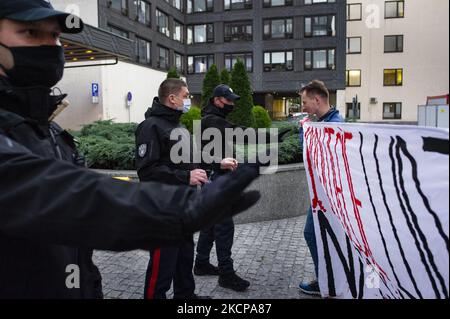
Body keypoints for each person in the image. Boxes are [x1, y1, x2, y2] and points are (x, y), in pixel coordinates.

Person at [0, 0, 260, 299]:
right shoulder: (151, 127)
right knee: (162, 274)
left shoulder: (50, 131)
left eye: (55, 36)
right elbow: (62, 193)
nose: (49, 46)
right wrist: (175, 206)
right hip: (169, 201)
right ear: (172, 99)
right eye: (31, 33)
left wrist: (212, 165)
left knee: (182, 265)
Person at [135, 79, 237, 299]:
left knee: (183, 257)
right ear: (172, 98)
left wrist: (218, 162)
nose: (189, 100)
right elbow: (147, 170)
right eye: (186, 95)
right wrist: (185, 177)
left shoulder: (178, 126)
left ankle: (186, 296)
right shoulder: (150, 126)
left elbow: (190, 159)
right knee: (163, 264)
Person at [194, 84, 288, 292]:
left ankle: (200, 263)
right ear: (218, 100)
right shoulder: (212, 121)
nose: (232, 103)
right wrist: (271, 136)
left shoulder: (210, 118)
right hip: (215, 179)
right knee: (224, 226)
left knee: (210, 223)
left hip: (212, 177)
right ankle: (226, 274)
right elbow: (240, 133)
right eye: (229, 100)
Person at [297, 80, 344, 296]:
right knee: (316, 235)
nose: (303, 107)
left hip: (332, 196)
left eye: (305, 102)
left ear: (317, 100)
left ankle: (328, 281)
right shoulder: (323, 123)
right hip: (324, 194)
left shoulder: (334, 125)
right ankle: (328, 279)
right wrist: (304, 133)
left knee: (314, 234)